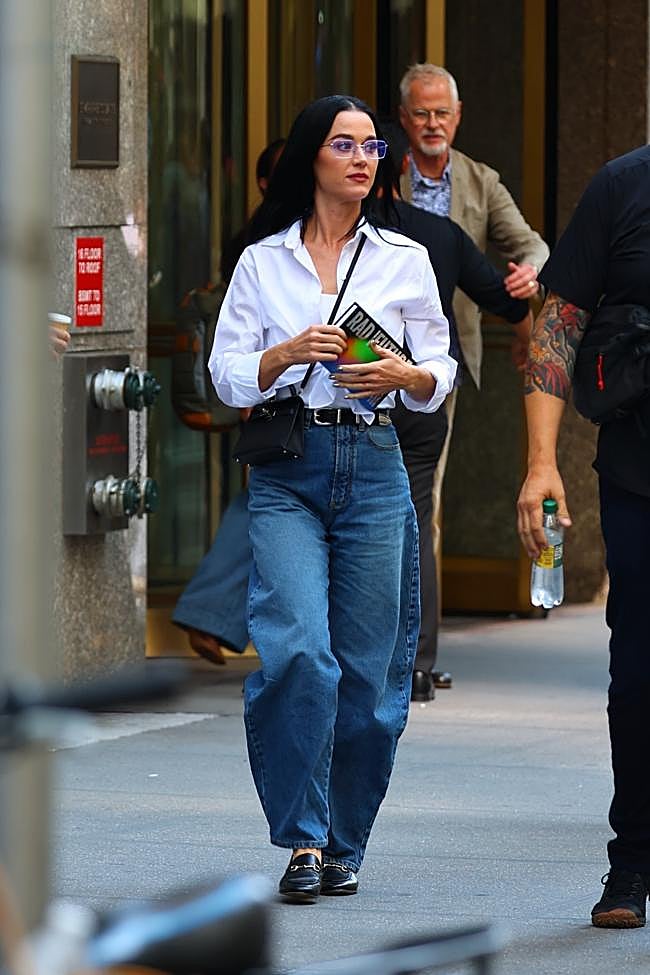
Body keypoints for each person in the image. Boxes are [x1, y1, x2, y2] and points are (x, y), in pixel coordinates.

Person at [209, 94, 455, 902]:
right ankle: (305, 838)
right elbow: (226, 373)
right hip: (290, 466)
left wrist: (404, 375)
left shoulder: (404, 256)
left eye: (371, 147)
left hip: (376, 462)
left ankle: (346, 839)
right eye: (345, 145)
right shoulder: (263, 260)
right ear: (311, 156)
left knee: (371, 677)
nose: (362, 159)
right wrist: (282, 355)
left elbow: (440, 368)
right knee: (298, 653)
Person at [517, 144, 650, 928]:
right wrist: (541, 462)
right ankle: (631, 858)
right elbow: (560, 321)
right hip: (638, 473)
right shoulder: (623, 186)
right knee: (636, 676)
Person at [399, 63, 549, 698]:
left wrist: (527, 276)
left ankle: (417, 647)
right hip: (369, 354)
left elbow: (531, 245)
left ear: (458, 118)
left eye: (443, 114)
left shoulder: (480, 181)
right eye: (421, 114)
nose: (433, 124)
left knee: (423, 502)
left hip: (442, 361)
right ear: (403, 119)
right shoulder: (382, 176)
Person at [173, 140, 285, 666]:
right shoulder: (263, 241)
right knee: (263, 501)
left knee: (263, 502)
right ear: (263, 183)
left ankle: (212, 613)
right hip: (266, 394)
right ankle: (210, 612)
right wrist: (250, 390)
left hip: (277, 395)